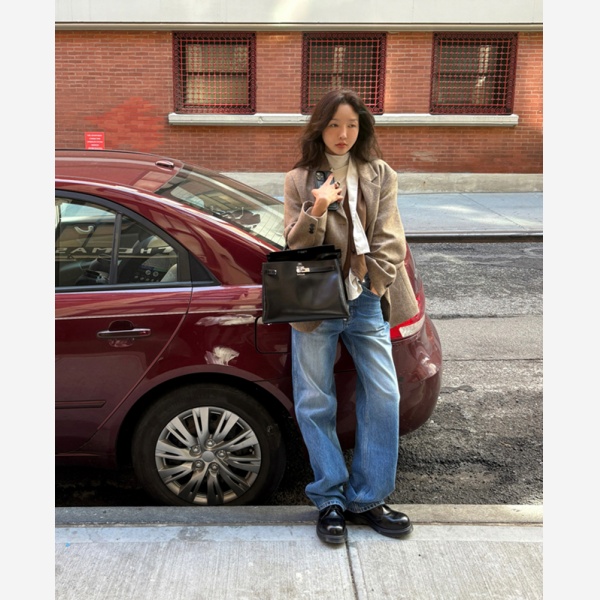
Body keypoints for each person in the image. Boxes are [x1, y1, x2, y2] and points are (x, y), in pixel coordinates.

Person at [283, 89, 419, 544]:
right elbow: (294, 244)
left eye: (352, 125)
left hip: (365, 298)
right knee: (315, 399)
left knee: (384, 394)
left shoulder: (380, 173)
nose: (343, 134)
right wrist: (318, 207)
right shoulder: (299, 179)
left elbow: (391, 237)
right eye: (334, 124)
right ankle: (330, 499)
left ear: (362, 129)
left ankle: (369, 497)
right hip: (315, 301)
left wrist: (375, 283)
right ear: (320, 128)